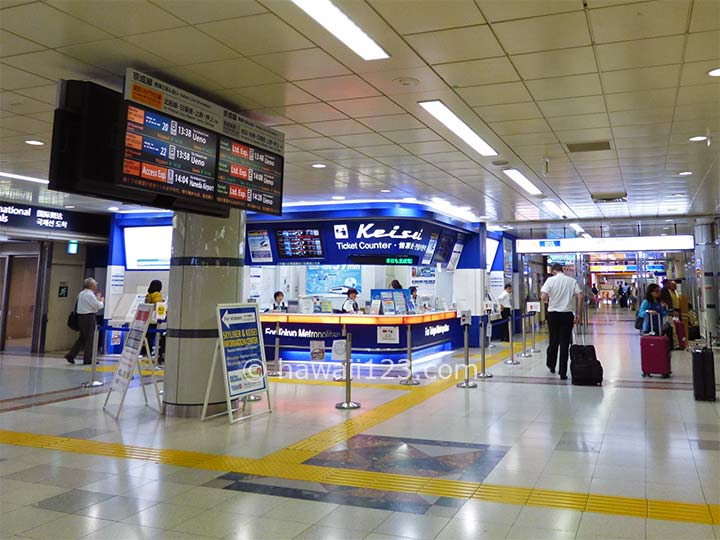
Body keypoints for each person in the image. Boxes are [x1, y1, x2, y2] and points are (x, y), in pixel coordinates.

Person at [541, 263, 584, 380]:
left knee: (553, 340)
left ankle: (551, 364)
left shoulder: (550, 280)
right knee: (565, 343)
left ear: (554, 271)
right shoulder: (571, 281)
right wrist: (579, 313)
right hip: (567, 315)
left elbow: (543, 297)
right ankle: (563, 372)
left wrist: (548, 301)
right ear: (562, 270)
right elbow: (580, 296)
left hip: (553, 315)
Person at [65, 278, 104, 365]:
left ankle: (71, 355)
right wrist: (101, 301)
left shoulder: (81, 293)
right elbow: (98, 306)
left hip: (81, 317)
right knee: (90, 338)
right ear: (91, 285)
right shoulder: (90, 295)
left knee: (82, 338)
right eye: (95, 284)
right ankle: (87, 359)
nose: (96, 285)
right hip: (89, 317)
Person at [142, 280, 163, 358]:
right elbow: (158, 305)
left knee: (147, 336)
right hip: (153, 319)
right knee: (152, 336)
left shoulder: (148, 295)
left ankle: (145, 352)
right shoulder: (157, 294)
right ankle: (150, 352)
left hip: (147, 318)